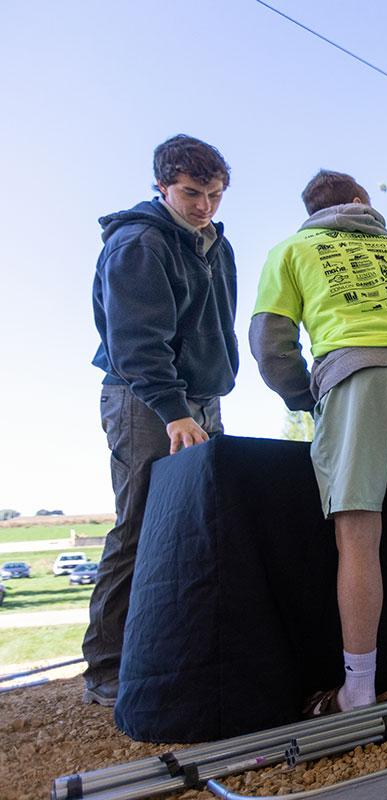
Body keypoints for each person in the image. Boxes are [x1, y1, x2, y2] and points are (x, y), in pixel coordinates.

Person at [251, 170, 387, 713]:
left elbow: (270, 342)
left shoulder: (291, 248)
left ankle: (358, 690)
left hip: (352, 375)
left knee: (358, 535)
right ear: (362, 202)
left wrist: (305, 396)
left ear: (310, 210)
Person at [85, 135, 237, 706]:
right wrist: (173, 411)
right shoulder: (138, 243)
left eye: (215, 195)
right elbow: (135, 342)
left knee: (194, 526)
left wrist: (207, 397)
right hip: (143, 398)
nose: (204, 206)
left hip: (203, 399)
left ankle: (171, 652)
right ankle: (105, 666)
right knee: (140, 523)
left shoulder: (218, 245)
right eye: (192, 193)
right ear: (161, 187)